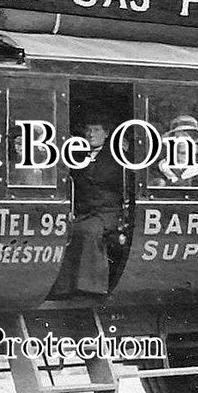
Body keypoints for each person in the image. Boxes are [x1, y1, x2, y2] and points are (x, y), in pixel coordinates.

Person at [51, 117, 126, 298]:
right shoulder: (77, 155)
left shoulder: (117, 157)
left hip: (109, 212)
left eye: (96, 130)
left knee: (87, 231)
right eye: (88, 130)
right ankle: (63, 288)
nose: (91, 134)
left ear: (106, 134)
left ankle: (91, 287)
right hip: (83, 211)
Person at [152, 115, 198, 188]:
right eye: (178, 135)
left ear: (196, 139)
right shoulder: (161, 167)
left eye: (189, 135)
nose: (182, 139)